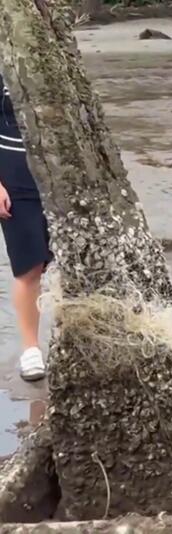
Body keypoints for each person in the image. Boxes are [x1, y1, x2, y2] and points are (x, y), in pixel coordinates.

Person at [0, 74, 53, 382]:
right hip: (15, 178)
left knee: (76, 265)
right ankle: (31, 350)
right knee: (29, 266)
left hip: (62, 176)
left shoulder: (54, 60)